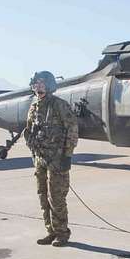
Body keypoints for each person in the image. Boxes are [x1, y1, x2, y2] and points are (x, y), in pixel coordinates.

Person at [23, 71, 79, 246]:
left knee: (57, 198)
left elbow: (72, 129)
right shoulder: (34, 106)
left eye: (41, 83)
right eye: (36, 83)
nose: (38, 86)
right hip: (40, 159)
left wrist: (67, 155)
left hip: (57, 159)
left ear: (49, 85)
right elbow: (29, 131)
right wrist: (33, 149)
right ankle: (51, 231)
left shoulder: (59, 105)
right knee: (43, 195)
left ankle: (62, 233)